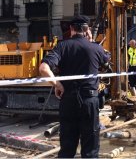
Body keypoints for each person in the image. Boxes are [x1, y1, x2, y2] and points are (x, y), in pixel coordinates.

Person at [39, 15, 111, 158]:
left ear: (71, 29)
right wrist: (91, 42)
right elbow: (106, 59)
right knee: (90, 146)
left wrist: (57, 84)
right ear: (88, 30)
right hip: (89, 100)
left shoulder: (61, 46)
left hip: (68, 100)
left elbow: (43, 69)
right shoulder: (96, 48)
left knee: (67, 145)